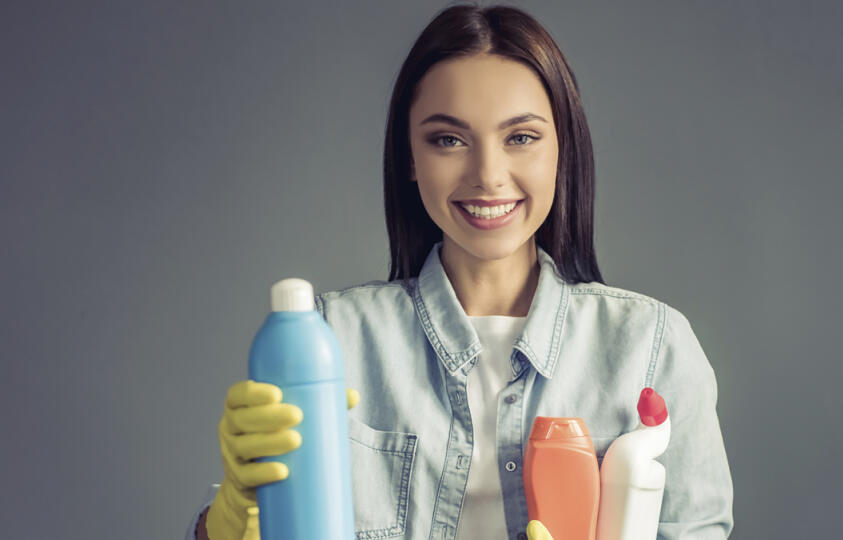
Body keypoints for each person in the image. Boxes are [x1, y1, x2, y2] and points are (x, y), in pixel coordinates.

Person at [185, 3, 734, 539]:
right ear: (409, 157)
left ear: (561, 151)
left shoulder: (652, 348)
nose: (488, 175)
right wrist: (231, 520)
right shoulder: (329, 340)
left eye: (521, 137)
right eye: (448, 139)